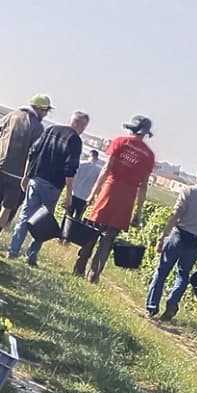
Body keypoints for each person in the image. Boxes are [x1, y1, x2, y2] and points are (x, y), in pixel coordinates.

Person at [73, 115, 155, 283]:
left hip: (109, 191)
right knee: (108, 238)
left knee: (92, 231)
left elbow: (106, 169)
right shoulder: (149, 155)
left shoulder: (120, 142)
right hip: (127, 199)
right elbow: (144, 185)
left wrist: (93, 194)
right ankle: (94, 274)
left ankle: (80, 266)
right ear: (146, 133)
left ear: (132, 128)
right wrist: (138, 211)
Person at [7, 111, 90, 265]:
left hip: (36, 179)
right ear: (80, 124)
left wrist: (26, 175)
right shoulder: (75, 140)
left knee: (25, 216)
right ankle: (31, 255)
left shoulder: (51, 129)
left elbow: (33, 152)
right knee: (42, 221)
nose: (84, 129)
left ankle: (13, 250)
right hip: (53, 185)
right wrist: (68, 194)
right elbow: (70, 168)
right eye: (84, 125)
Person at [146, 162, 197, 320]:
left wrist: (163, 237)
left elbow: (176, 214)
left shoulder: (188, 191)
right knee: (183, 274)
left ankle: (152, 306)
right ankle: (172, 301)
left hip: (179, 235)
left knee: (162, 271)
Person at [0, 94, 51, 246]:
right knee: (6, 208)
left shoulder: (13, 114)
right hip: (17, 173)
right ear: (39, 109)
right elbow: (34, 153)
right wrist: (28, 175)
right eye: (45, 111)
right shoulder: (38, 128)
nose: (45, 114)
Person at [61, 146, 102, 240]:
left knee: (67, 214)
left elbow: (72, 177)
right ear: (96, 158)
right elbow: (98, 185)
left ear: (89, 156)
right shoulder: (98, 171)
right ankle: (70, 236)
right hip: (85, 197)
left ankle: (62, 234)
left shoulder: (81, 164)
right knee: (78, 218)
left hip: (74, 193)